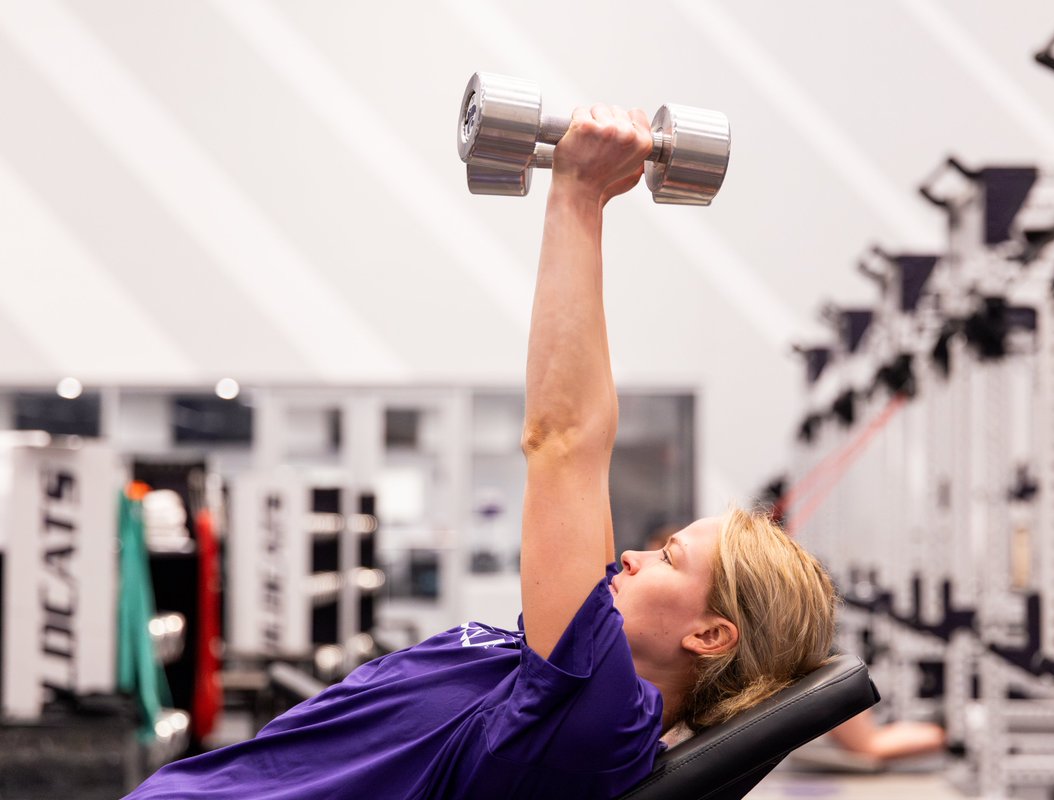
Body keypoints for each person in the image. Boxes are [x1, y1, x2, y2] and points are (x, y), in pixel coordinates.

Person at [127, 104, 837, 799]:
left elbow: (563, 444)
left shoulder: (597, 722)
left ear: (710, 635)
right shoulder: (564, 677)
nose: (632, 555)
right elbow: (576, 473)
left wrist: (579, 194)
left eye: (668, 559)